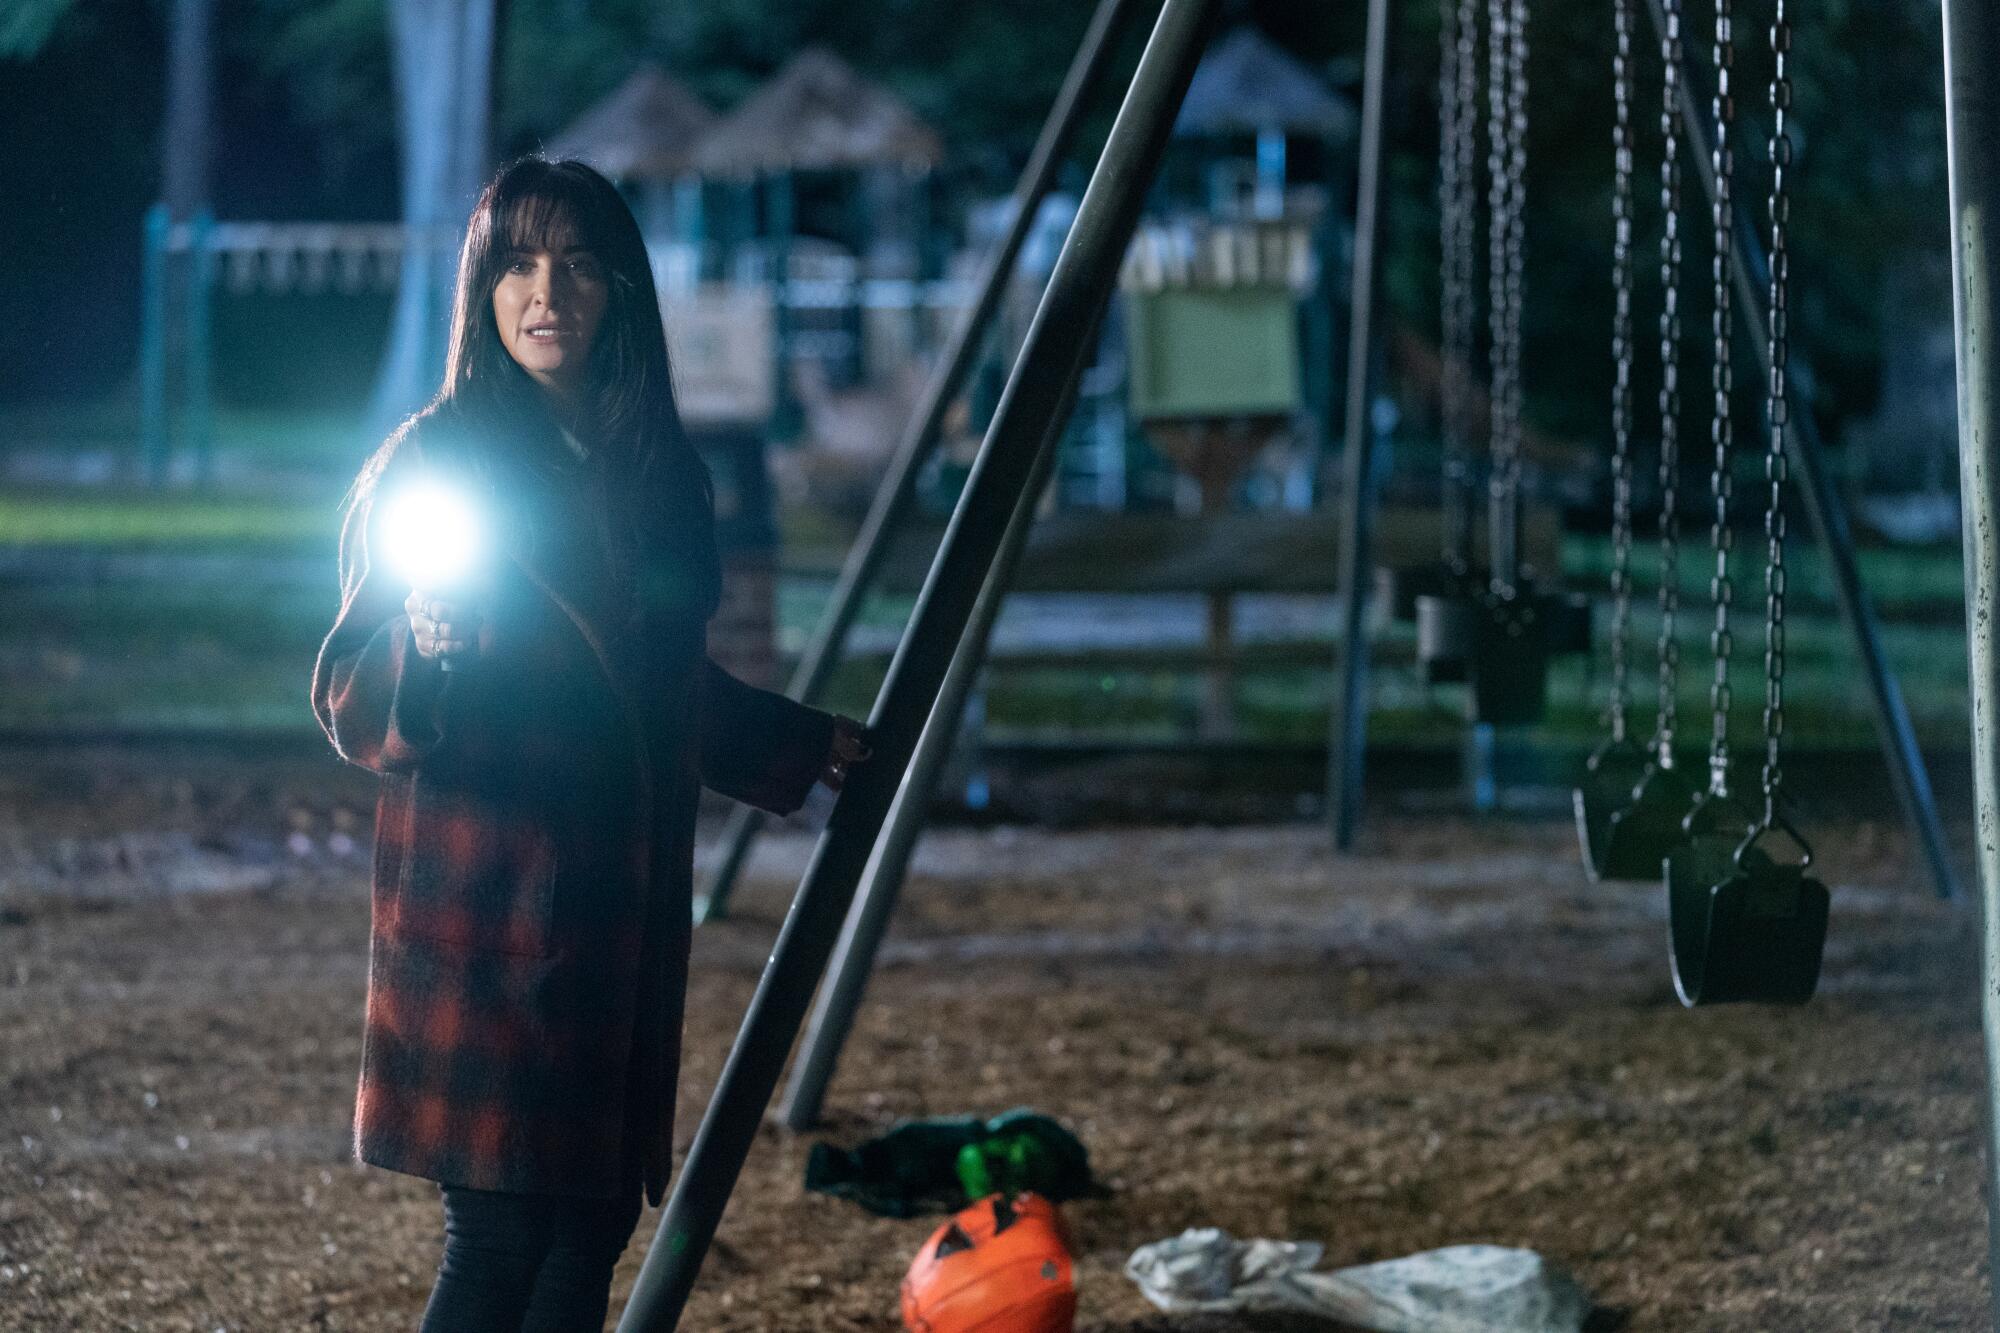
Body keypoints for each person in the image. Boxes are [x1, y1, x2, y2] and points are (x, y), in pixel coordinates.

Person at [310, 156, 872, 1332]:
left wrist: (808, 747)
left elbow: (662, 690)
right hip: (488, 906)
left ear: (619, 285)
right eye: (515, 262)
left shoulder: (660, 475)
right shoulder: (435, 462)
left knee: (592, 1227)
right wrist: (427, 648)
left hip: (618, 903)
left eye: (573, 261)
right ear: (482, 289)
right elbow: (351, 696)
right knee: (503, 1225)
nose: (544, 290)